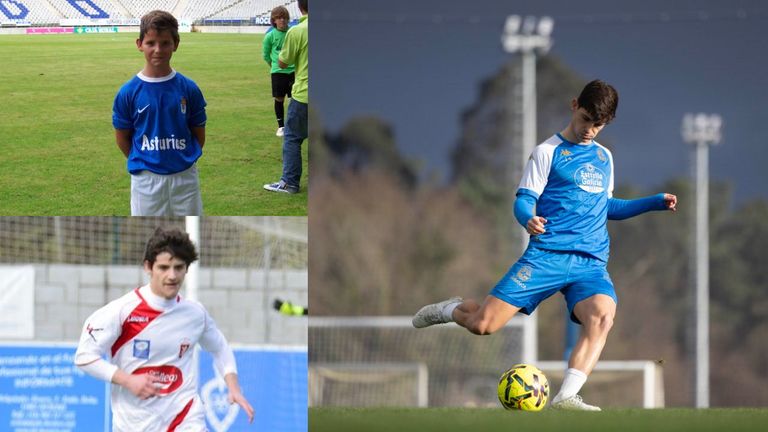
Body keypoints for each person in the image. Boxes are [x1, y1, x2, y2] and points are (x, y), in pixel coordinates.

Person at [412, 80, 678, 411]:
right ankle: (450, 310)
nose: (590, 130)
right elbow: (524, 199)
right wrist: (528, 219)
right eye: (586, 119)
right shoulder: (547, 152)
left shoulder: (604, 157)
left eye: (598, 124)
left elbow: (605, 207)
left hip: (590, 262)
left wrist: (654, 202)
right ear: (574, 105)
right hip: (546, 256)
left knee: (602, 317)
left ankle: (566, 396)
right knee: (483, 325)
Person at [74, 227, 254, 430]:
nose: (172, 275)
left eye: (179, 267)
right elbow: (84, 357)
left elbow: (219, 347)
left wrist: (233, 387)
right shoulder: (121, 311)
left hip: (185, 417)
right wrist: (128, 380)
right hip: (134, 424)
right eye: (164, 267)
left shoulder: (195, 313)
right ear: (148, 267)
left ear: (187, 268)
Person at [113, 10, 207, 216]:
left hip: (185, 178)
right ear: (139, 44)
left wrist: (182, 159)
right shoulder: (128, 92)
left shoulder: (189, 88)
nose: (158, 50)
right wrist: (147, 160)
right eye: (151, 43)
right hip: (146, 180)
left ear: (176, 44)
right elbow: (122, 138)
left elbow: (199, 134)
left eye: (165, 43)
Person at [264, 0, 308, 194]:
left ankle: (290, 182)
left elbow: (283, 62)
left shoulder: (297, 31)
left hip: (305, 93)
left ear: (300, 7)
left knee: (292, 137)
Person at [262, 6, 295, 137]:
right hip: (278, 72)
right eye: (279, 18)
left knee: (295, 100)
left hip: (294, 71)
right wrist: (274, 66)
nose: (282, 20)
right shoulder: (270, 36)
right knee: (279, 99)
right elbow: (266, 55)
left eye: (284, 17)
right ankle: (281, 126)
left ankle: (293, 125)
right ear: (274, 20)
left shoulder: (293, 33)